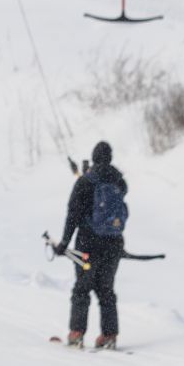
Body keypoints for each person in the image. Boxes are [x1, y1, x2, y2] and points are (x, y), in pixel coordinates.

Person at [54, 140, 130, 349]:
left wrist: (63, 243)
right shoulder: (119, 182)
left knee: (82, 289)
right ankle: (109, 336)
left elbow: (73, 215)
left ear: (94, 157)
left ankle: (77, 333)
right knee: (106, 290)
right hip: (114, 244)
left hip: (88, 244)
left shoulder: (85, 182)